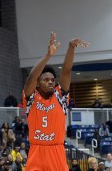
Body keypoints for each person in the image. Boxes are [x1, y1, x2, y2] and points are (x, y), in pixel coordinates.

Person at [22, 32, 89, 171]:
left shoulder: (60, 95)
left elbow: (66, 71)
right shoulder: (31, 97)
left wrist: (71, 47)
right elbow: (30, 78)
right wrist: (48, 56)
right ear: (38, 84)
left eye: (52, 80)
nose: (51, 82)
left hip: (56, 151)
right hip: (36, 152)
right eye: (46, 80)